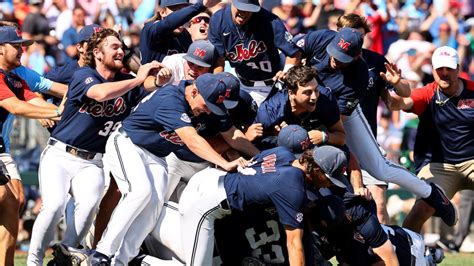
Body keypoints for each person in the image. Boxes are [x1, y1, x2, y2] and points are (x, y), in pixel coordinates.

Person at [295, 27, 457, 227]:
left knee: (380, 169)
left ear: (357, 55)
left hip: (341, 116)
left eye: (343, 57)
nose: (335, 60)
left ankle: (431, 193)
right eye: (335, 52)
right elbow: (292, 51)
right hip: (306, 105)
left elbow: (338, 118)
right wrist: (289, 73)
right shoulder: (320, 37)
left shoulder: (361, 74)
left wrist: (324, 135)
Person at [90, 72, 257, 265]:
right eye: (207, 106)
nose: (208, 111)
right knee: (141, 192)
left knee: (154, 203)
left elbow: (230, 135)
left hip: (157, 155)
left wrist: (259, 155)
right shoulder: (171, 98)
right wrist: (225, 163)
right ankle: (102, 253)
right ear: (194, 92)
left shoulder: (201, 100)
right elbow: (192, 141)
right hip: (129, 143)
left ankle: (121, 260)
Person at [27, 28, 161, 265]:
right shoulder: (83, 75)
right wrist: (138, 79)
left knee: (88, 208)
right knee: (54, 206)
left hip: (93, 161)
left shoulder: (124, 81)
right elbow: (99, 94)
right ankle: (33, 261)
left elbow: (148, 85)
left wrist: (160, 78)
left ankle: (65, 255)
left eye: (121, 47)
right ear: (97, 53)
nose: (120, 51)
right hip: (60, 153)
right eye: (114, 47)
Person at [178, 138, 348, 265]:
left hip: (208, 179)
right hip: (205, 203)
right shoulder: (292, 188)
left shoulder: (282, 152)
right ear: (317, 169)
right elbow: (294, 243)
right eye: (329, 178)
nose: (330, 184)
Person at [387, 46, 474, 233]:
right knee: (421, 210)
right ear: (433, 70)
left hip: (472, 162)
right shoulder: (428, 93)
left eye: (449, 69)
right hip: (439, 165)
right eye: (439, 69)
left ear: (458, 69)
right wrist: (393, 88)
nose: (444, 74)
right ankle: (405, 253)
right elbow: (400, 103)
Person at [0, 25, 63, 266]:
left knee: (16, 199)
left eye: (21, 47)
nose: (21, 51)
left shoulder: (16, 77)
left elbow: (35, 100)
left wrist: (76, 105)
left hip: (2, 150)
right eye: (15, 47)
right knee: (4, 195)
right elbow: (16, 107)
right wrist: (58, 111)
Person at [208, 0, 301, 105]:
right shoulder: (218, 20)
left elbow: (294, 53)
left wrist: (287, 71)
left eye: (249, 9)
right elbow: (218, 60)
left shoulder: (269, 20)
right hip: (241, 83)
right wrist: (219, 85)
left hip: (272, 84)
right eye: (241, 7)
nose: (244, 12)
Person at [255, 65, 345, 148]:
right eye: (307, 92)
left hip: (316, 145)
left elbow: (341, 138)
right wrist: (281, 138)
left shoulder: (325, 98)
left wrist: (324, 136)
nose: (314, 97)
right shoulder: (270, 111)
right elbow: (255, 142)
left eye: (316, 90)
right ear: (291, 93)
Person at [140, 0, 219, 64]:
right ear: (162, 12)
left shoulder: (185, 35)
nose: (183, 16)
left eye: (185, 10)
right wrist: (201, 5)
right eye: (177, 10)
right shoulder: (151, 29)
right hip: (153, 82)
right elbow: (168, 23)